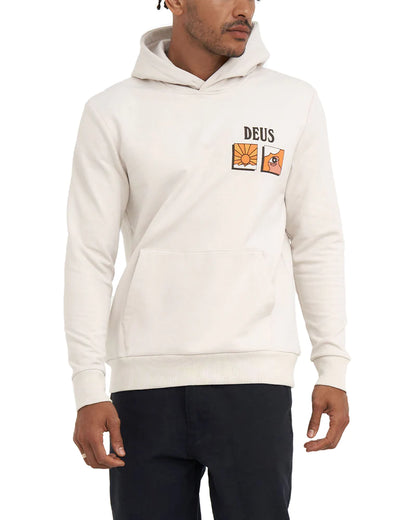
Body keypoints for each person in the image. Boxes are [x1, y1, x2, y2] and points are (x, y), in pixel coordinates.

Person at [64, 1, 351, 518]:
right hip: (143, 386)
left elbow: (316, 239)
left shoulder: (293, 102)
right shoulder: (112, 111)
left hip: (255, 378)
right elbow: (89, 254)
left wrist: (332, 366)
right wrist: (87, 387)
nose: (244, 8)